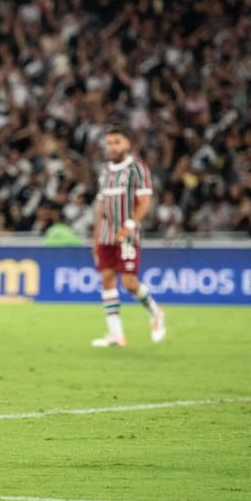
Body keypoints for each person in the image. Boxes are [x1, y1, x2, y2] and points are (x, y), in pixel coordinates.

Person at [91, 127, 165, 347]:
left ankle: (155, 311)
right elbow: (101, 205)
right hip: (105, 233)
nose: (112, 147)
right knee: (106, 279)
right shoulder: (104, 171)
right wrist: (95, 236)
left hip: (127, 235)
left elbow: (145, 201)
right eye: (109, 143)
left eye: (117, 142)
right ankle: (116, 334)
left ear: (127, 144)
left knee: (129, 283)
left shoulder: (137, 169)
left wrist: (130, 225)